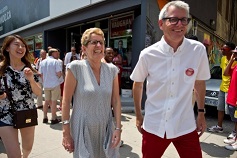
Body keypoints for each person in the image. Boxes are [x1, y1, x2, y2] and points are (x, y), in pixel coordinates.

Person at [130, 1, 210, 157]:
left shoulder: (197, 50)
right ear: (161, 23)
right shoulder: (148, 54)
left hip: (185, 125)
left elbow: (199, 83)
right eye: (173, 19)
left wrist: (201, 113)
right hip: (155, 126)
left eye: (184, 20)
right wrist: (139, 115)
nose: (179, 24)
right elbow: (138, 84)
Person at [62, 27, 121, 157]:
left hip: (105, 126)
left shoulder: (112, 70)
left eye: (101, 42)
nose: (98, 45)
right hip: (82, 128)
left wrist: (118, 128)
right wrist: (66, 132)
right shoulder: (75, 68)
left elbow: (116, 101)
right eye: (93, 42)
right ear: (84, 48)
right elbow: (66, 101)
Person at [0, 35, 41, 158]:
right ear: (7, 48)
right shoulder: (1, 68)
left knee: (27, 148)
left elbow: (38, 92)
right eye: (17, 45)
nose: (21, 48)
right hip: (5, 114)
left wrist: (31, 80)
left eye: (23, 45)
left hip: (26, 112)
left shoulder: (30, 69)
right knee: (14, 155)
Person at [208, 42, 236, 137]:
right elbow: (224, 73)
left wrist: (232, 60)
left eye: (225, 49)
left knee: (232, 112)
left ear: (231, 51)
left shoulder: (235, 61)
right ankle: (219, 126)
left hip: (231, 89)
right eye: (222, 49)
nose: (222, 51)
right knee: (220, 108)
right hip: (222, 88)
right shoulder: (223, 59)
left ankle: (235, 131)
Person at [39, 48, 62, 124]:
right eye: (56, 53)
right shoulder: (55, 61)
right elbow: (59, 73)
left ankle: (45, 117)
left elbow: (41, 74)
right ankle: (53, 118)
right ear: (52, 54)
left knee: (46, 101)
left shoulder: (42, 62)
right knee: (54, 101)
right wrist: (59, 77)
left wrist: (44, 81)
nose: (58, 54)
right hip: (54, 83)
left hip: (46, 84)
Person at [223, 47, 237, 150]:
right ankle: (235, 138)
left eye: (235, 53)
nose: (234, 55)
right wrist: (231, 59)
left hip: (235, 100)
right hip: (231, 98)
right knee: (235, 120)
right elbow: (226, 73)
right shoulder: (236, 65)